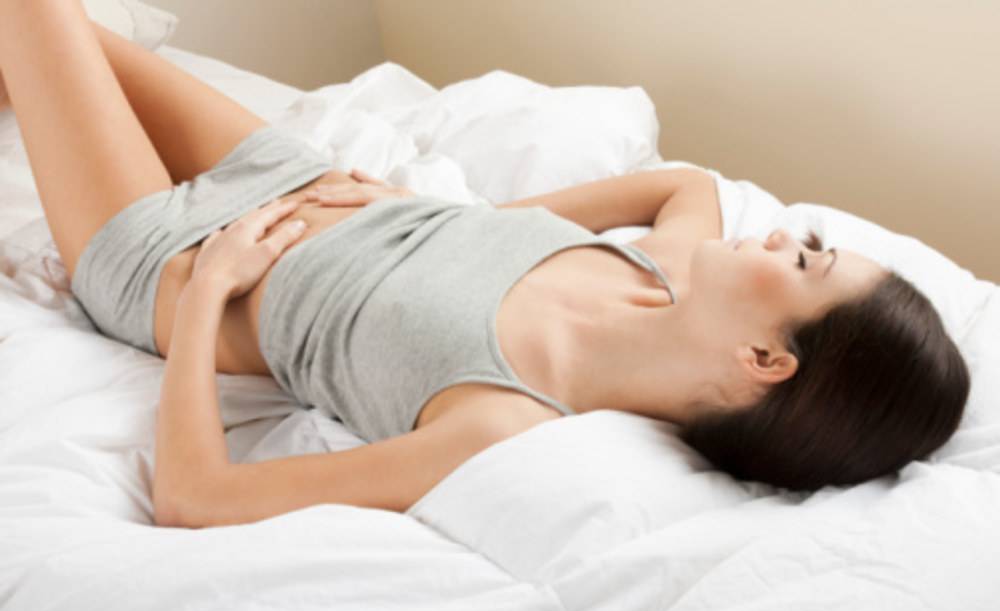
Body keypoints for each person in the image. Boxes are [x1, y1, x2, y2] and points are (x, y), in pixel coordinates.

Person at [1, 0, 969, 529]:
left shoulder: (502, 416)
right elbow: (681, 181)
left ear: (764, 359)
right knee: (64, 35)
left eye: (806, 263)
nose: (784, 235)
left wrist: (212, 288)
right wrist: (427, 217)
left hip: (166, 259)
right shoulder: (658, 271)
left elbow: (196, 498)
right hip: (295, 177)